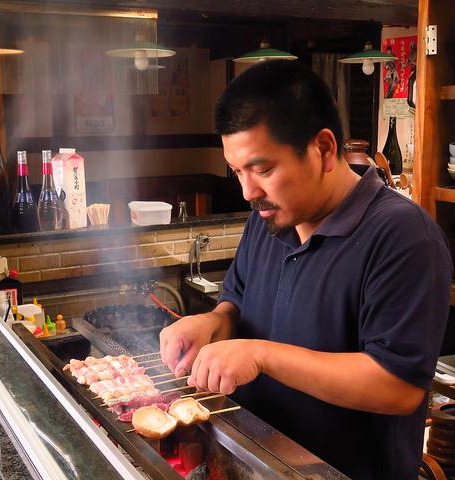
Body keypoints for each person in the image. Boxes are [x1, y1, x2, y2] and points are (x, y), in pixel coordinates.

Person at [159, 60, 452, 479]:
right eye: (237, 171)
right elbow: (237, 306)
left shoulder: (404, 236)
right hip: (256, 462)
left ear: (325, 149)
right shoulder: (266, 216)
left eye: (263, 170)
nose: (248, 191)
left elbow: (399, 386)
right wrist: (209, 323)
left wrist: (261, 355)